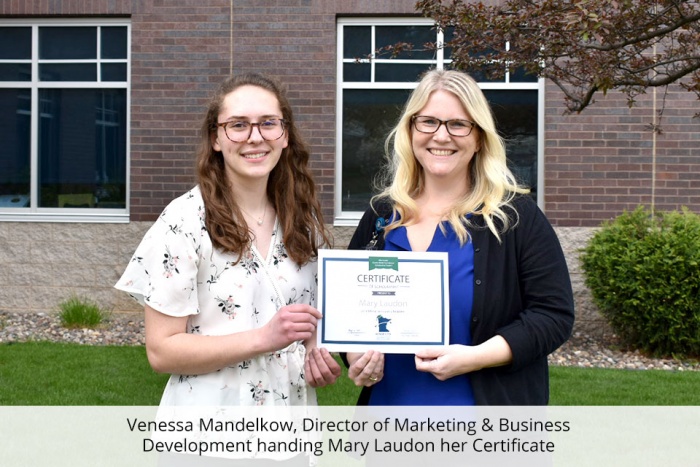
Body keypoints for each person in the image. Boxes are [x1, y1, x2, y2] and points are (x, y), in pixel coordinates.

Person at [344, 69, 575, 405]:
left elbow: (553, 315)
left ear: (479, 136)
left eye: (458, 124)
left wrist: (476, 357)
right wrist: (355, 356)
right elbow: (348, 311)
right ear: (410, 130)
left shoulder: (515, 218)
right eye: (428, 122)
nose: (441, 136)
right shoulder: (380, 215)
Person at [115, 73, 341, 411]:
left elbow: (308, 323)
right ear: (216, 139)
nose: (255, 137)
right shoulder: (184, 221)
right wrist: (263, 339)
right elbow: (161, 351)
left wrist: (314, 354)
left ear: (285, 136)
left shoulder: (301, 221)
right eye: (238, 125)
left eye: (268, 123)